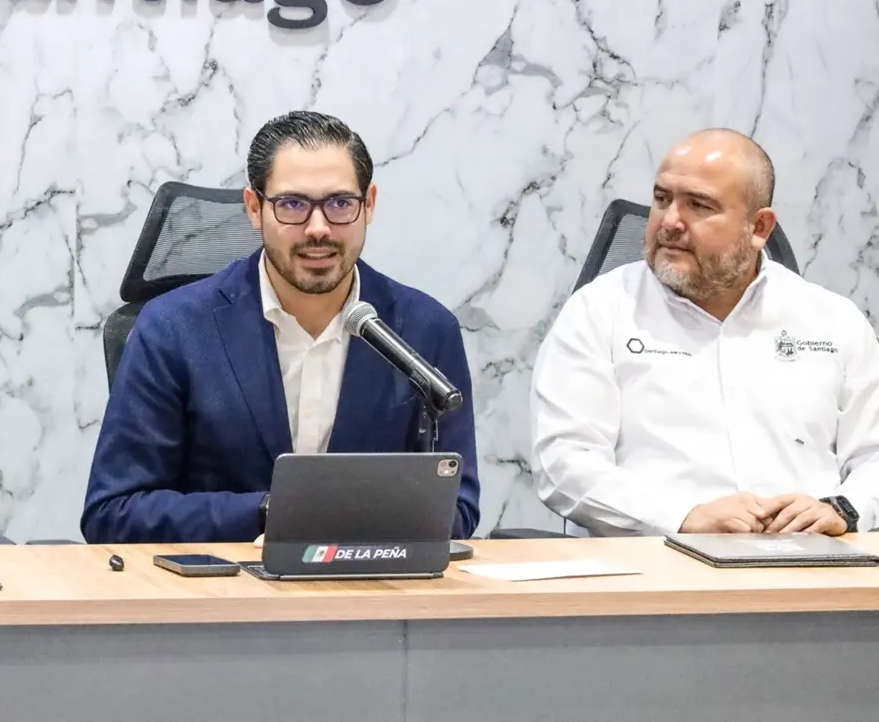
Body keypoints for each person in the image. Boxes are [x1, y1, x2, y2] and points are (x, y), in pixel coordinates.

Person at [83, 110, 480, 543]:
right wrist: (273, 512)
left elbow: (456, 507)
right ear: (254, 208)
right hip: (221, 596)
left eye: (340, 203)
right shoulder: (173, 328)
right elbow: (114, 511)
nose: (318, 228)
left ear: (369, 205)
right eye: (292, 204)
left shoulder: (423, 330)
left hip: (373, 597)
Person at [530, 128, 879, 537]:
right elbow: (565, 462)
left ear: (760, 227)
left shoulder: (833, 319)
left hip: (811, 567)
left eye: (698, 205)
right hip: (656, 569)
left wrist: (843, 509)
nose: (669, 222)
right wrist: (683, 517)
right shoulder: (600, 310)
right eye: (662, 199)